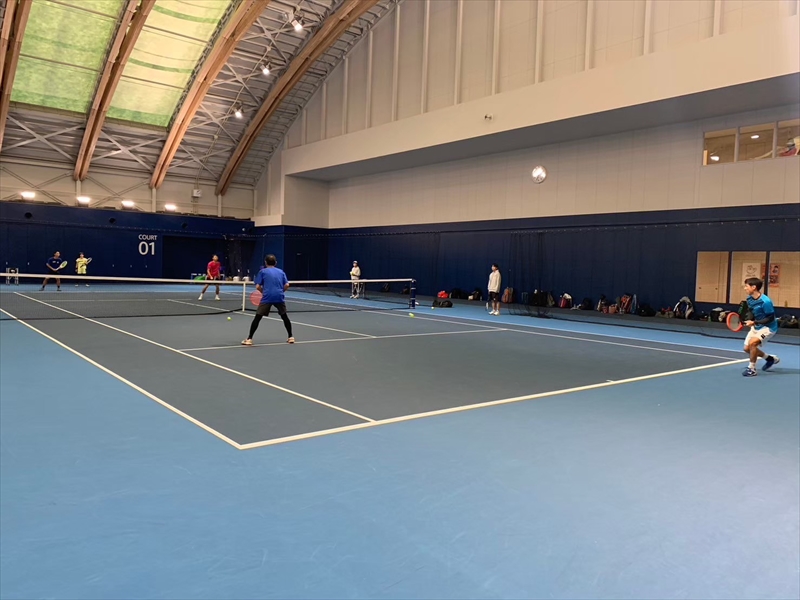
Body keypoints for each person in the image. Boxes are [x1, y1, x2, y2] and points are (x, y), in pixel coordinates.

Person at [242, 254, 294, 345]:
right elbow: (287, 285)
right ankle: (291, 337)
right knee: (284, 316)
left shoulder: (262, 272)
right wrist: (281, 291)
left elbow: (257, 286)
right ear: (276, 263)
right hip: (279, 296)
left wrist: (263, 292)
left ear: (265, 263)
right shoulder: (281, 272)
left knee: (258, 317)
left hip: (267, 297)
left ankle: (249, 339)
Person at [741, 277, 780, 377]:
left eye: (746, 286)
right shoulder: (749, 299)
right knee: (746, 348)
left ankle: (752, 369)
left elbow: (770, 318)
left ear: (753, 287)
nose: (745, 288)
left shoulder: (765, 302)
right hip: (757, 326)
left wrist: (754, 322)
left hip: (768, 328)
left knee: (753, 343)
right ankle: (770, 359)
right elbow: (751, 311)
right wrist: (749, 320)